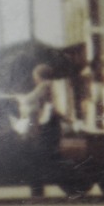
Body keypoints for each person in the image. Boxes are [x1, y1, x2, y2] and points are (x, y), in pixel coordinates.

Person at [16, 64, 61, 198]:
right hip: (49, 126)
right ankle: (38, 190)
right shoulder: (50, 86)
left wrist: (20, 98)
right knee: (37, 160)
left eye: (35, 76)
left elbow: (31, 100)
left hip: (43, 128)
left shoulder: (44, 85)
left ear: (39, 76)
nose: (34, 79)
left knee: (35, 160)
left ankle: (37, 191)